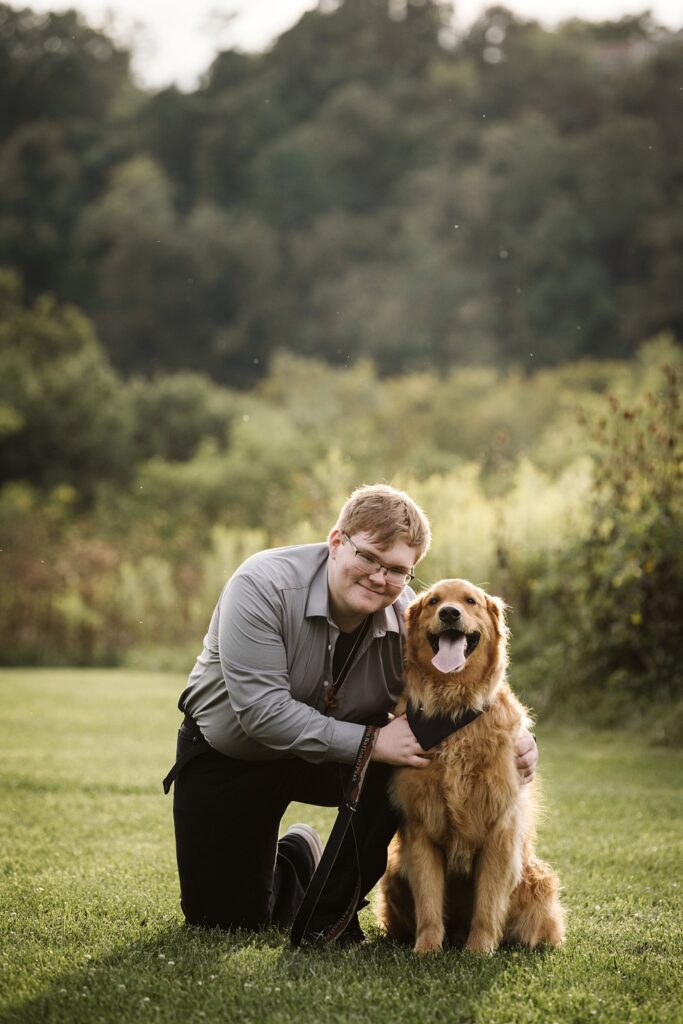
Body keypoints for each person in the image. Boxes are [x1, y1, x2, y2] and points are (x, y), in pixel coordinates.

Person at [165, 484, 537, 944]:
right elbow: (260, 713)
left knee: (402, 767)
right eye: (370, 558)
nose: (381, 578)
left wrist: (516, 738)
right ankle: (298, 860)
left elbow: (466, 683)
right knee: (222, 917)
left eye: (399, 570)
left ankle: (331, 914)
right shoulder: (261, 585)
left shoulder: (411, 621)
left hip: (336, 761)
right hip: (235, 755)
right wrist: (372, 742)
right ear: (337, 542)